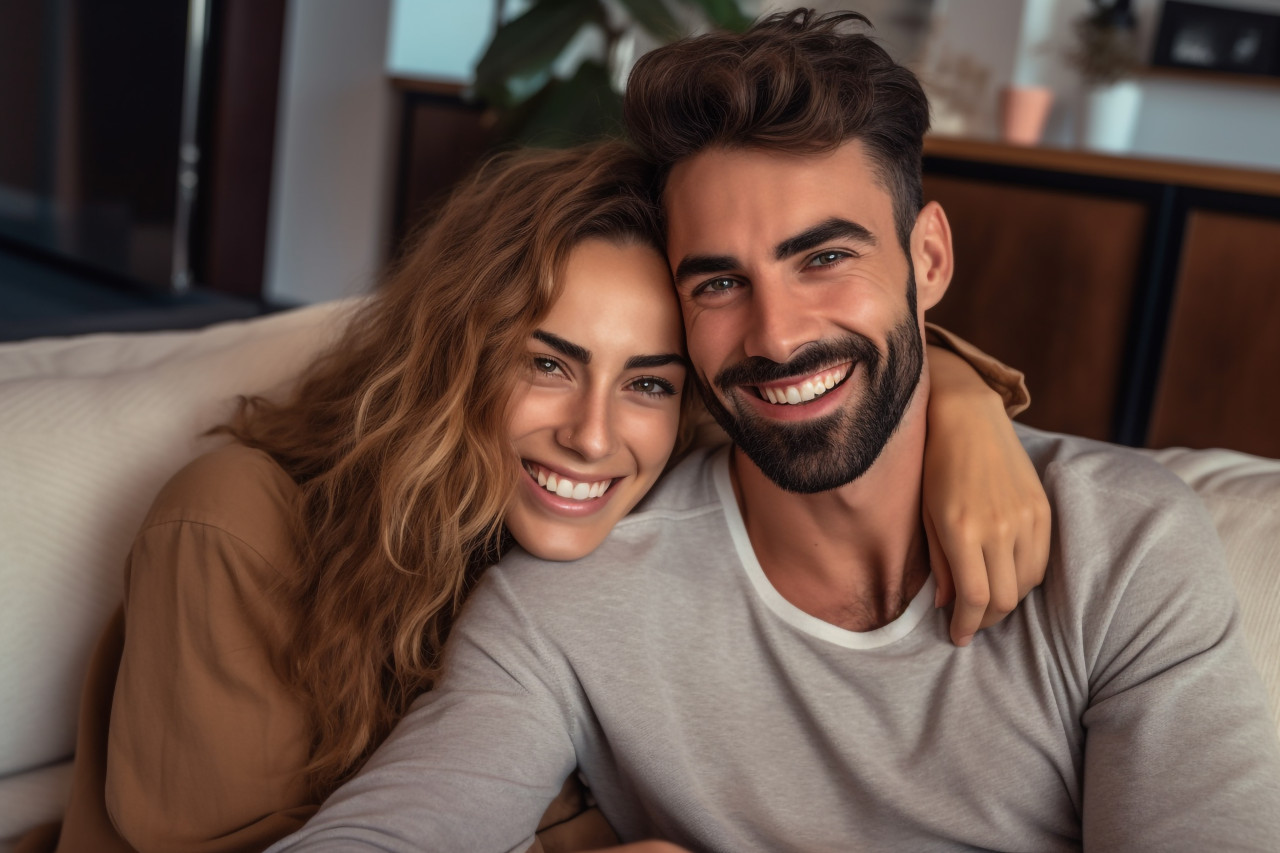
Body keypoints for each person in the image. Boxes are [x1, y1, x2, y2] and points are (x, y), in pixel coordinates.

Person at [269, 9, 1280, 853]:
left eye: (823, 257)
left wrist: (965, 400)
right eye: (717, 281)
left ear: (926, 261)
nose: (777, 334)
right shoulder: (564, 605)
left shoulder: (1123, 548)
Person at [21, 136, 1044, 853]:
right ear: (451, 358)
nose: (593, 435)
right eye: (545, 364)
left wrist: (960, 397)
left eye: (647, 380)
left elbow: (800, 372)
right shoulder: (235, 527)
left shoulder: (655, 507)